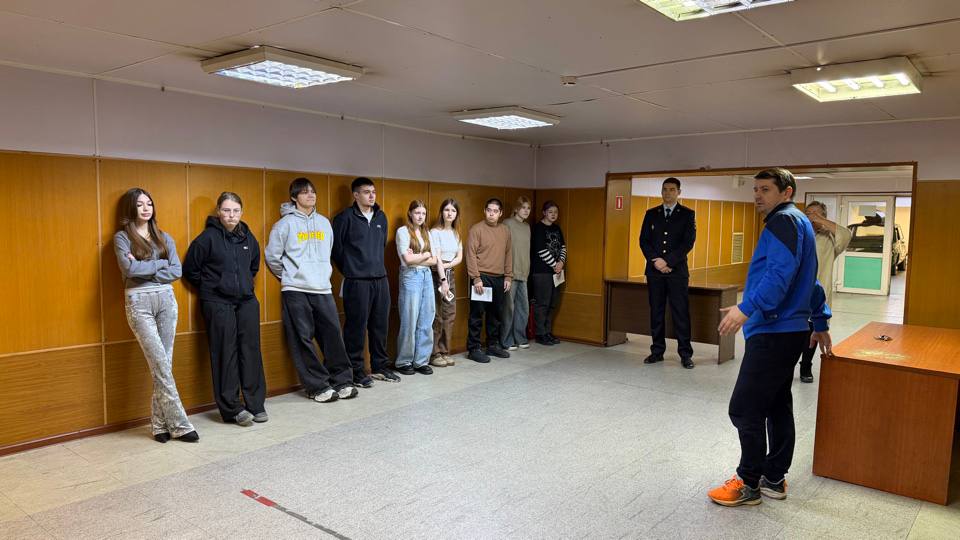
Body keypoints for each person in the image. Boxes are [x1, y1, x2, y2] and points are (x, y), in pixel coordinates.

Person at [710, 168, 833, 507]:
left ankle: (748, 482)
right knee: (777, 404)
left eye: (765, 189)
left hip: (775, 331)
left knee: (744, 408)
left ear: (787, 192)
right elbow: (810, 280)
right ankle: (774, 478)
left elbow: (780, 274)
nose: (757, 195)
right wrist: (820, 319)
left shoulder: (784, 221)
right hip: (789, 331)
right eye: (755, 189)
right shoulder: (799, 222)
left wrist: (747, 307)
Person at [114, 188, 198, 444]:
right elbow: (129, 269)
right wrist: (161, 264)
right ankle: (180, 425)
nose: (146, 208)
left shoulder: (164, 237)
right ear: (131, 208)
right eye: (140, 204)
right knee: (160, 364)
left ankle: (160, 424)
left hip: (166, 301)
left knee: (164, 364)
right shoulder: (122, 238)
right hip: (138, 303)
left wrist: (145, 268)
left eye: (149, 203)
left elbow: (176, 271)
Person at [265, 178, 358, 403]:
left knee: (333, 335)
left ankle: (342, 380)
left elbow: (329, 252)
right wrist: (290, 275)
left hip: (323, 288)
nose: (311, 195)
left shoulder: (324, 223)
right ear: (294, 197)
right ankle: (317, 386)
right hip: (295, 289)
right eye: (305, 192)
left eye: (313, 192)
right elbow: (272, 257)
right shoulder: (284, 225)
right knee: (302, 339)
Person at [183, 192, 268, 425]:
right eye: (226, 210)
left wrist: (243, 286)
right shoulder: (206, 239)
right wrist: (214, 286)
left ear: (241, 212)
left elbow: (253, 266)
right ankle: (232, 409)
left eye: (236, 211)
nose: (231, 215)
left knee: (251, 351)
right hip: (217, 302)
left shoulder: (248, 237)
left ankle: (255, 404)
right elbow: (190, 269)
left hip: (246, 301)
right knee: (225, 353)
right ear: (219, 212)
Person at [332, 177, 400, 384]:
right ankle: (355, 371)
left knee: (380, 326)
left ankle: (380, 367)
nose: (371, 195)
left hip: (380, 280)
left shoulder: (381, 217)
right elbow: (336, 251)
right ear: (355, 195)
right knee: (356, 327)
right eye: (366, 192)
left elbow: (381, 246)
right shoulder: (344, 218)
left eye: (373, 192)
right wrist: (352, 270)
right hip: (356, 281)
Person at [638, 177, 697, 369]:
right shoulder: (651, 214)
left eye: (672, 189)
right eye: (665, 189)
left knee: (680, 312)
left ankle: (685, 354)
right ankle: (657, 351)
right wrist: (656, 261)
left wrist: (669, 261)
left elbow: (688, 242)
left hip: (677, 272)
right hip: (655, 271)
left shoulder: (687, 214)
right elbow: (644, 241)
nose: (668, 193)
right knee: (656, 312)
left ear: (679, 192)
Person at [798, 201, 851, 383]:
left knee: (815, 328)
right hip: (797, 292)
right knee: (796, 330)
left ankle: (806, 365)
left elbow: (846, 234)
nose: (811, 216)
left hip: (818, 293)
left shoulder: (829, 239)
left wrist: (820, 221)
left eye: (817, 213)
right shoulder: (799, 234)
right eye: (808, 213)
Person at [465, 198, 513, 363]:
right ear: (484, 211)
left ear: (500, 213)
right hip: (482, 277)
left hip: (499, 278)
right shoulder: (476, 229)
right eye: (489, 210)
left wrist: (508, 276)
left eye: (495, 211)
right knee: (477, 314)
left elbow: (508, 253)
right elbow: (470, 254)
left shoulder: (505, 230)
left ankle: (493, 345)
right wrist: (476, 278)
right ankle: (474, 348)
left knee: (496, 314)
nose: (491, 214)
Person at [394, 200, 438, 375]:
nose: (421, 216)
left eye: (423, 213)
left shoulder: (427, 232)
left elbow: (434, 260)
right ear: (410, 213)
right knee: (409, 319)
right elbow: (407, 260)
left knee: (427, 318)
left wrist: (418, 257)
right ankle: (404, 361)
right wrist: (425, 254)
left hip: (426, 275)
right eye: (417, 213)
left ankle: (421, 361)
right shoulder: (403, 231)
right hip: (410, 276)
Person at [429, 199, 463, 368]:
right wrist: (443, 279)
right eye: (447, 210)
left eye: (453, 210)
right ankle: (434, 353)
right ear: (441, 212)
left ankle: (444, 351)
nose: (450, 213)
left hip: (450, 273)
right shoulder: (435, 232)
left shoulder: (456, 233)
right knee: (437, 315)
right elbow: (437, 258)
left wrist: (447, 265)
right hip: (437, 275)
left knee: (450, 313)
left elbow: (459, 257)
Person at [529, 201, 566, 346]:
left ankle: (548, 331)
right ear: (544, 213)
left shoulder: (557, 228)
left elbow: (563, 247)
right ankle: (540, 333)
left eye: (555, 212)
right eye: (550, 212)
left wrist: (561, 262)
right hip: (542, 272)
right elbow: (541, 250)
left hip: (557, 272)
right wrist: (555, 265)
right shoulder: (538, 228)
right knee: (542, 303)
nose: (553, 215)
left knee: (552, 303)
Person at [501, 197, 532, 351]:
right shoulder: (507, 223)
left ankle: (520, 337)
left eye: (528, 208)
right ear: (516, 208)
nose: (526, 211)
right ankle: (507, 340)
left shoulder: (527, 226)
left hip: (523, 272)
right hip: (510, 273)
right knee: (509, 308)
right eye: (523, 207)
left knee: (523, 308)